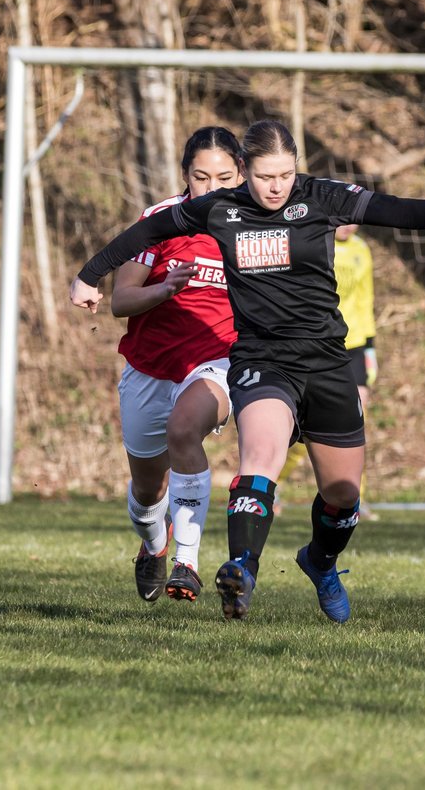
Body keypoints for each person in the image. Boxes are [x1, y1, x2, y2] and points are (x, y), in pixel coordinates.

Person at [70, 120, 425, 623]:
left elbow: (395, 209)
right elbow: (146, 230)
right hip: (261, 361)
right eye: (264, 176)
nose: (276, 186)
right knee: (260, 458)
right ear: (245, 174)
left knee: (342, 496)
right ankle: (241, 570)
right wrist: (88, 275)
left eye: (284, 174)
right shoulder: (220, 208)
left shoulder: (321, 197)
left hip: (325, 359)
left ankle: (320, 562)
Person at [72, 126, 243, 605]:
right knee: (148, 493)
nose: (211, 189)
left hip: (216, 362)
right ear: (185, 176)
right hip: (150, 369)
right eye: (201, 177)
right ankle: (155, 544)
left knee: (185, 430)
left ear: (242, 174)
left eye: (225, 177)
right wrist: (164, 290)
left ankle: (187, 562)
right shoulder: (162, 220)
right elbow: (121, 302)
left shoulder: (254, 227)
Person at [275, 223, 378, 522]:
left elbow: (365, 299)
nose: (351, 225)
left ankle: (355, 495)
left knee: (358, 418)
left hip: (354, 344)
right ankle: (275, 480)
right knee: (303, 426)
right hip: (318, 342)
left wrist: (370, 347)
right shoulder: (309, 243)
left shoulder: (361, 249)